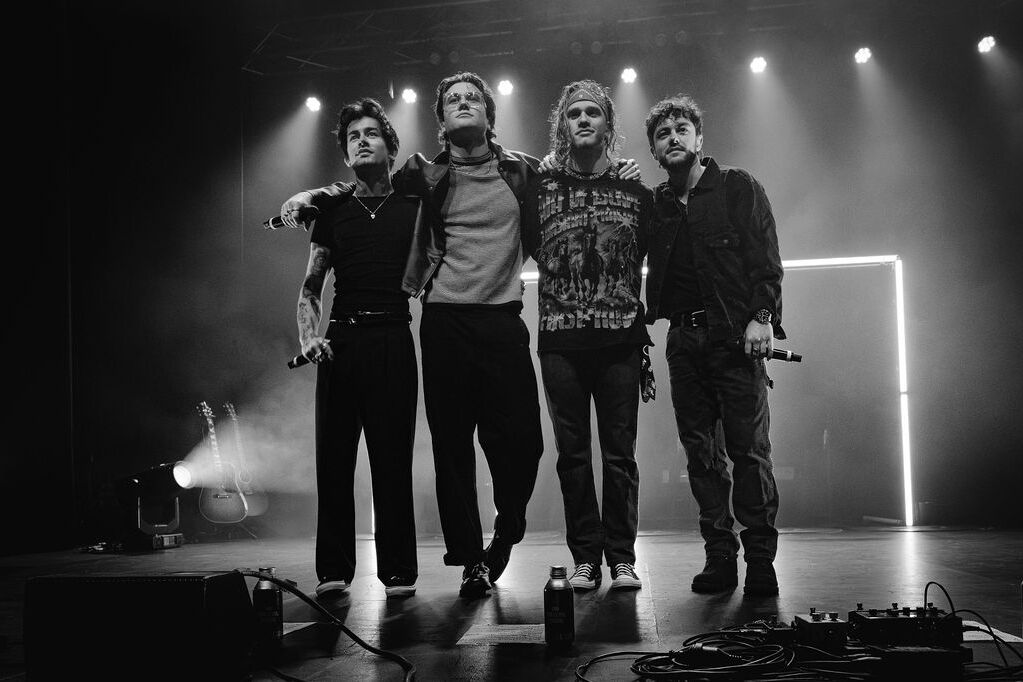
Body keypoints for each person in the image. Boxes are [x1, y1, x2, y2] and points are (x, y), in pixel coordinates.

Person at [283, 73, 544, 599]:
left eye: (473, 98)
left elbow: (567, 182)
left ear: (490, 113)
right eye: (453, 100)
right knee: (430, 451)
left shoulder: (511, 173)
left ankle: (478, 540)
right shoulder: (407, 182)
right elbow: (354, 200)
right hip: (414, 327)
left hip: (466, 325)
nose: (463, 104)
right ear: (440, 119)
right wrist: (312, 193)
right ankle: (458, 561)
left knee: (514, 446)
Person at [643, 94, 786, 597]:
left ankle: (761, 561)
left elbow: (766, 258)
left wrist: (762, 318)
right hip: (683, 342)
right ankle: (720, 556)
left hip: (735, 338)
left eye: (682, 128)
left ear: (699, 138)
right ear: (654, 151)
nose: (673, 137)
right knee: (702, 456)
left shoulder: (736, 186)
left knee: (750, 452)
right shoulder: (656, 205)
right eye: (663, 134)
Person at [523, 80, 652, 592]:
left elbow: (656, 251)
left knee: (620, 455)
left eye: (592, 112)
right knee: (573, 457)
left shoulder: (636, 191)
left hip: (620, 341)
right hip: (561, 341)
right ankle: (585, 558)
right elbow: (526, 246)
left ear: (607, 124)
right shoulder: (539, 189)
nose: (582, 119)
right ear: (562, 125)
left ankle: (621, 558)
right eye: (573, 112)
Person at [295, 98, 418, 600]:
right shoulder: (332, 212)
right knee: (334, 460)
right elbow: (311, 286)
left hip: (393, 337)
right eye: (353, 137)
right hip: (341, 341)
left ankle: (399, 569)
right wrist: (309, 337)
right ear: (346, 154)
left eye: (371, 133)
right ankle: (333, 568)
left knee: (392, 460)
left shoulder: (413, 207)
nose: (361, 141)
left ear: (390, 145)